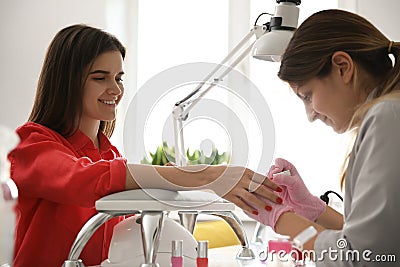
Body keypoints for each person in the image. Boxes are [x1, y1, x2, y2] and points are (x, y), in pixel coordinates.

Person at [7, 24, 283, 267]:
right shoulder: (31, 143)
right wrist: (204, 175)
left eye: (118, 78)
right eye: (100, 77)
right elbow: (83, 179)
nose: (115, 89)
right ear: (67, 82)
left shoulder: (108, 153)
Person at [246, 9, 400, 266]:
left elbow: (364, 259)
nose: (310, 115)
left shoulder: (387, 116)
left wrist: (281, 218)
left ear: (342, 67)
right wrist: (313, 210)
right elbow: (378, 241)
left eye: (307, 96)